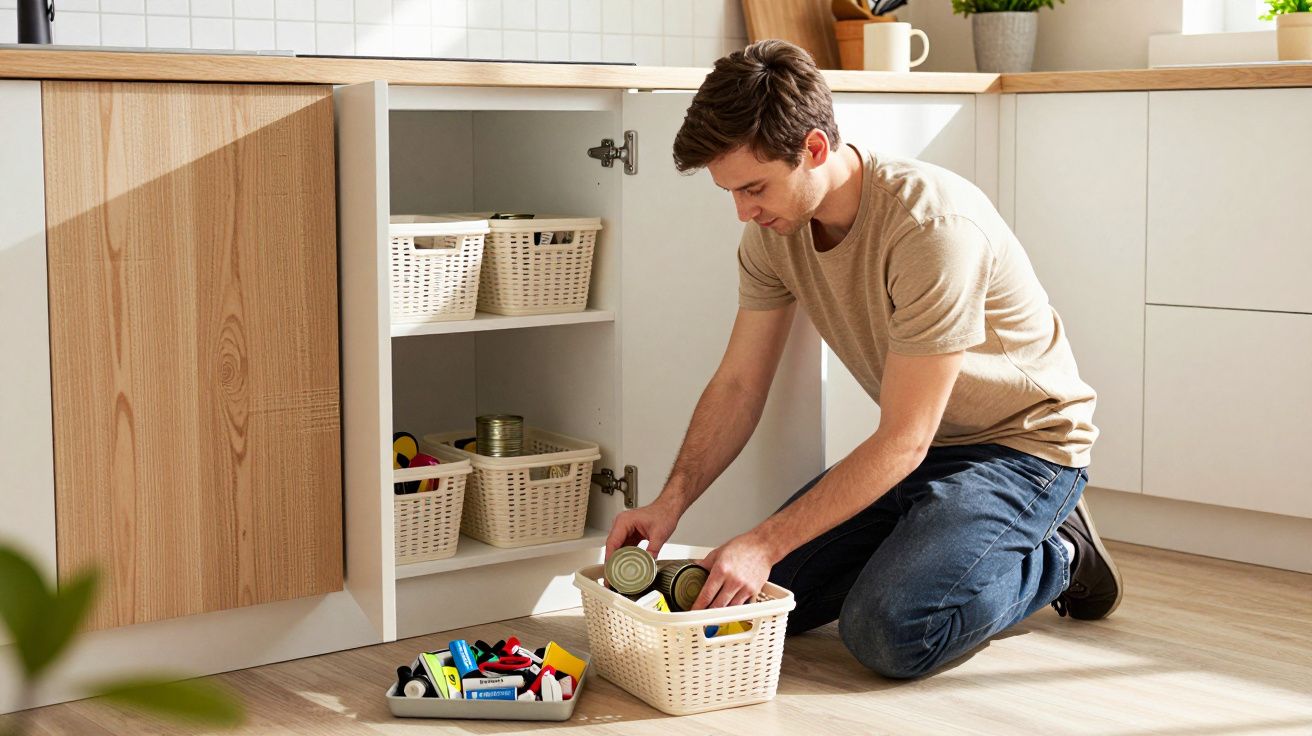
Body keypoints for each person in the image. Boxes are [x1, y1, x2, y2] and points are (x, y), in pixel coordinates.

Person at [603, 39, 1123, 679]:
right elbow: (739, 385)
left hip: (1021, 449)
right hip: (926, 449)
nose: (743, 210)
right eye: (731, 192)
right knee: (749, 608)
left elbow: (902, 439)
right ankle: (930, 545)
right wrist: (669, 502)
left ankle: (1060, 551)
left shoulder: (930, 227)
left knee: (889, 633)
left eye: (754, 187)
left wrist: (764, 542)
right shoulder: (773, 236)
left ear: (813, 149)